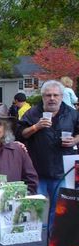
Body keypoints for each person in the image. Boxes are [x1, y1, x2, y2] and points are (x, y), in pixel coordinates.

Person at [16, 80, 79, 226]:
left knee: (59, 211)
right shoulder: (32, 113)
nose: (52, 98)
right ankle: (33, 244)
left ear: (62, 96)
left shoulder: (72, 114)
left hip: (63, 170)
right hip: (37, 170)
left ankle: (52, 242)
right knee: (33, 212)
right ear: (42, 96)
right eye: (48, 95)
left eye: (55, 95)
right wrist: (36, 127)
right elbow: (20, 134)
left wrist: (75, 140)